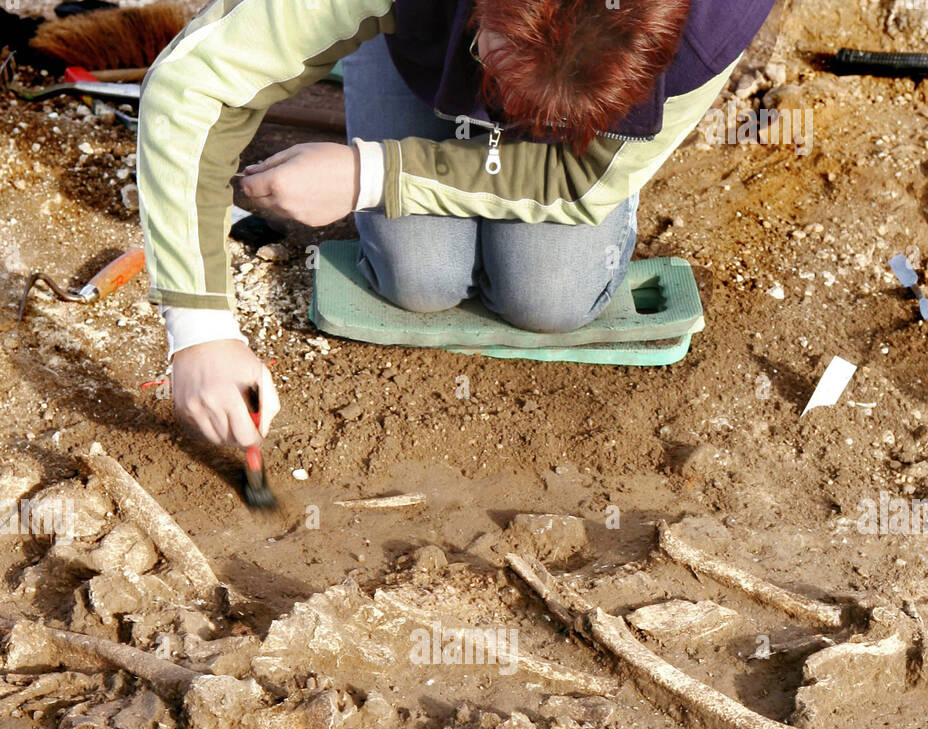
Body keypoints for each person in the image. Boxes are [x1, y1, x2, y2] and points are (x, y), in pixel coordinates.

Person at [137, 0, 777, 449]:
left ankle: (545, 98)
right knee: (420, 278)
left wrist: (370, 176)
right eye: (499, 73)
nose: (508, 113)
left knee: (547, 297)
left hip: (583, 112)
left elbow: (583, 180)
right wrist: (201, 334)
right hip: (429, 26)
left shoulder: (714, 22)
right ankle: (417, 58)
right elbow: (192, 87)